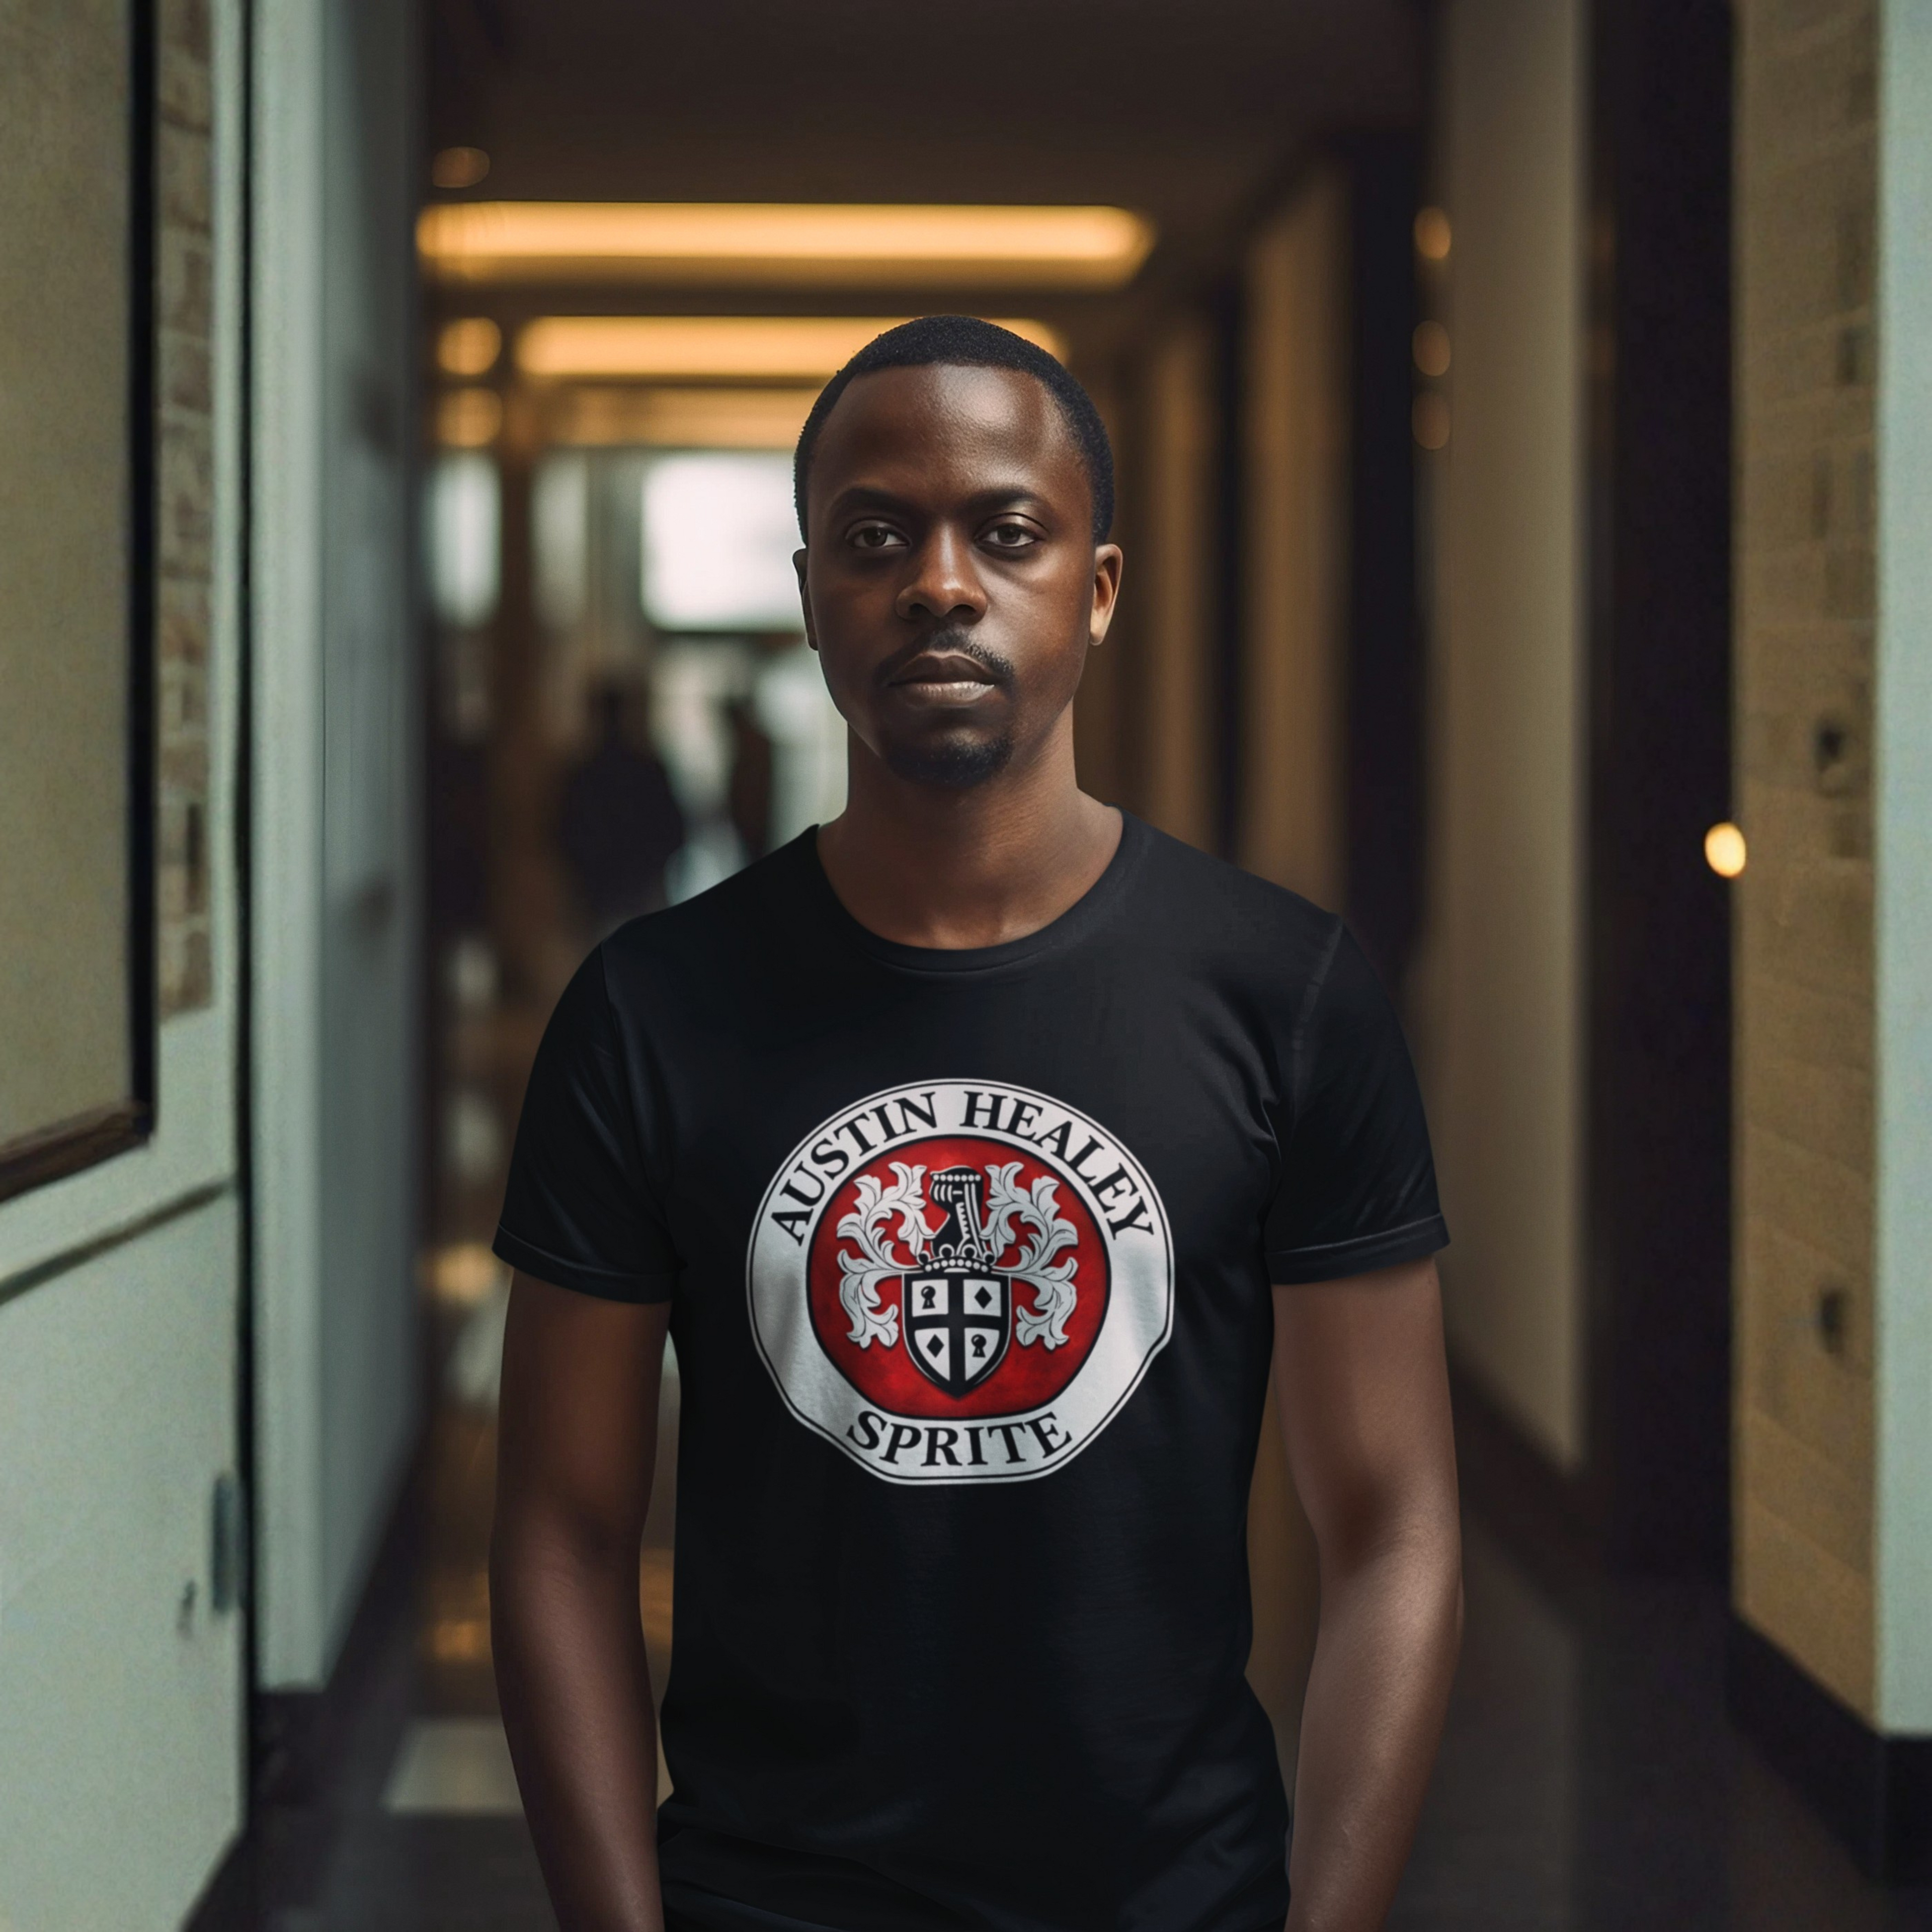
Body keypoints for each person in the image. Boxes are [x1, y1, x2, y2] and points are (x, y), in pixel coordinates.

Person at [490, 316, 1462, 1932]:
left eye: (1007, 532)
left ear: (1096, 588)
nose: (942, 581)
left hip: (1179, 1898)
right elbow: (559, 1535)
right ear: (813, 597)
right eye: (877, 536)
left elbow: (1395, 1524)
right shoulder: (650, 1009)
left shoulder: (1281, 992)